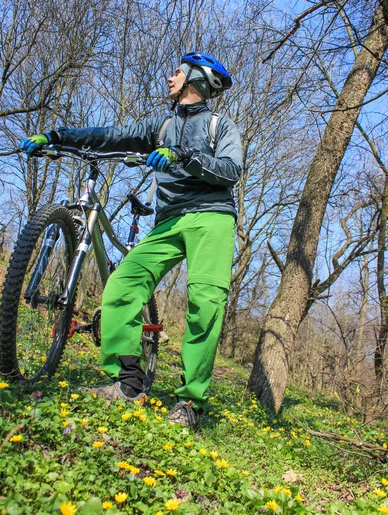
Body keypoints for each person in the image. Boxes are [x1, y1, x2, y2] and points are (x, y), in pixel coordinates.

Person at [19, 51, 243, 429]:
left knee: (205, 303)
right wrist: (59, 136)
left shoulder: (220, 125)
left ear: (195, 79)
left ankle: (190, 403)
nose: (169, 79)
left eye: (176, 73)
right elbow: (110, 136)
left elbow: (230, 170)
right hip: (169, 220)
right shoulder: (161, 125)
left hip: (212, 216)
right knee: (122, 285)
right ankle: (128, 385)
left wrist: (183, 156)